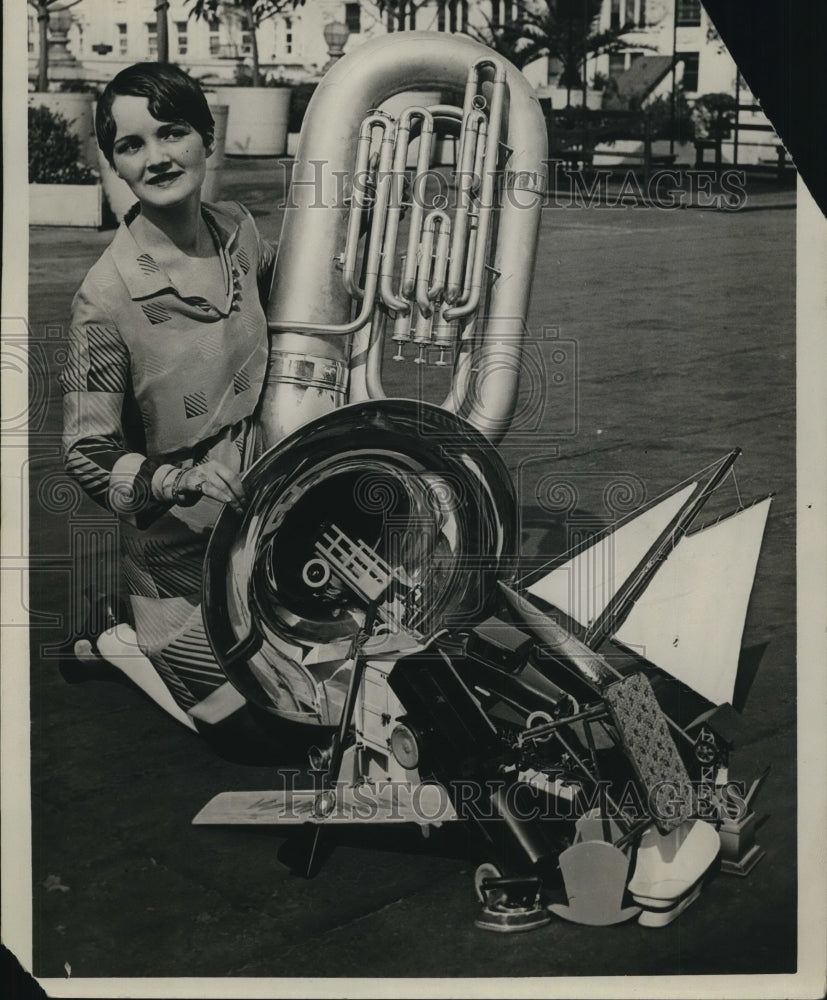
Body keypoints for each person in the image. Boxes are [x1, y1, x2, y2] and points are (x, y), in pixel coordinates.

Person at [58, 63, 277, 752]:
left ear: (206, 139)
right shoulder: (103, 298)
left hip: (265, 528)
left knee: (328, 712)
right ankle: (122, 643)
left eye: (173, 131)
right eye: (131, 144)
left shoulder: (239, 233)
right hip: (178, 559)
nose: (156, 157)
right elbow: (86, 451)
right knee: (254, 741)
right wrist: (173, 480)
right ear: (114, 164)